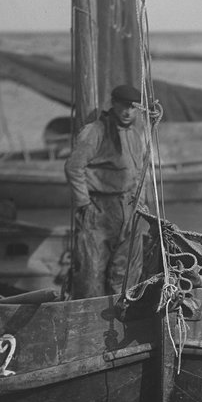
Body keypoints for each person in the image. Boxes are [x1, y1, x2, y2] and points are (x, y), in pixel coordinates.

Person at [65, 83, 162, 299]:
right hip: (100, 208)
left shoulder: (136, 134)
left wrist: (141, 205)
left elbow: (140, 173)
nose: (127, 112)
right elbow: (74, 166)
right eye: (123, 106)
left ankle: (122, 314)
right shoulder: (96, 131)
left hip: (131, 207)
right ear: (114, 104)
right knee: (91, 272)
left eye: (132, 107)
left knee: (127, 271)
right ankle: (89, 318)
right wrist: (83, 203)